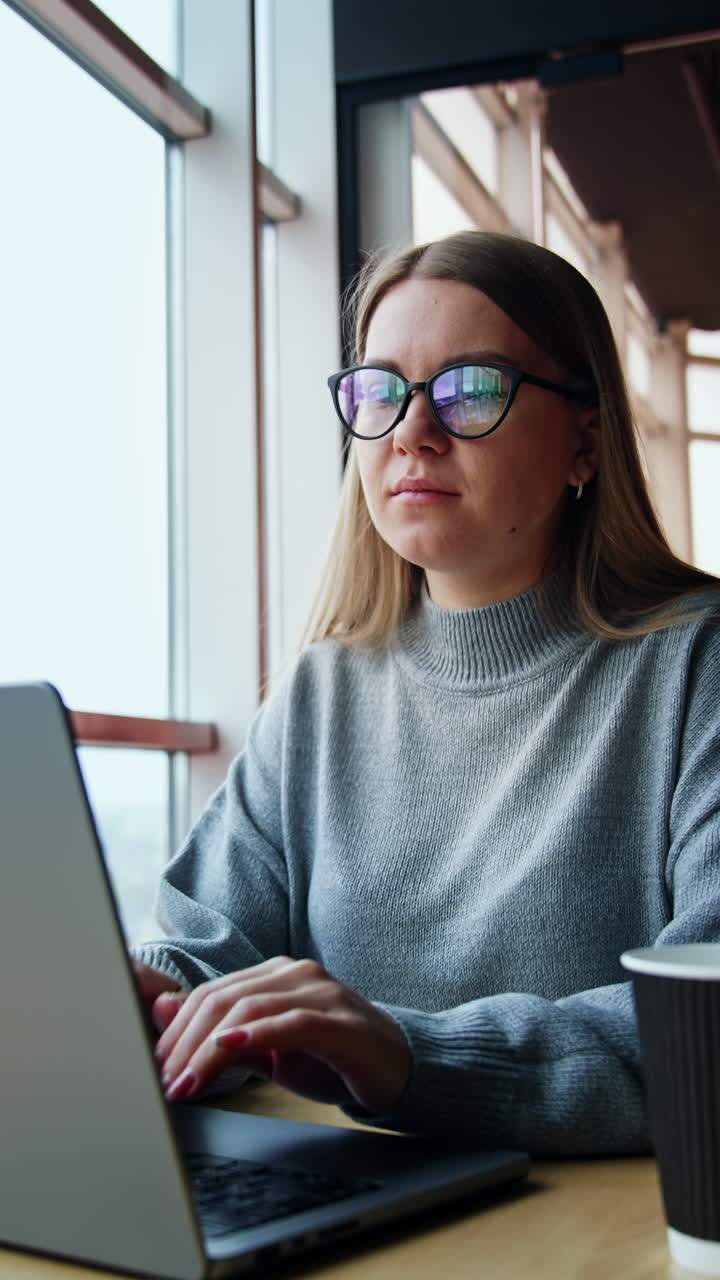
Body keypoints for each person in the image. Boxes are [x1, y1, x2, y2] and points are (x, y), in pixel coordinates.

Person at [134, 230, 720, 1157]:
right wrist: (149, 999)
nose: (411, 430)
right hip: (354, 1198)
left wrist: (412, 1056)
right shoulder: (321, 694)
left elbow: (703, 1032)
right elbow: (212, 947)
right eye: (381, 391)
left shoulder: (696, 667)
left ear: (585, 439)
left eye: (471, 388)